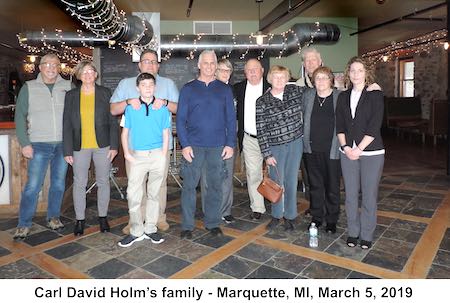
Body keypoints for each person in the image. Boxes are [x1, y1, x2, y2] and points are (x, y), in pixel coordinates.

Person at [110, 49, 178, 233]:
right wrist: (128, 102)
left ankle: (157, 219)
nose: (150, 64)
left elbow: (179, 108)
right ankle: (136, 222)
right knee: (136, 185)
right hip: (135, 147)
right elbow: (113, 109)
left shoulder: (168, 84)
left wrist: (164, 102)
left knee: (159, 185)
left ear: (158, 65)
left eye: (154, 61)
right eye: (146, 61)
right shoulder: (126, 84)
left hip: (160, 147)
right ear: (139, 64)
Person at [176, 50, 236, 239]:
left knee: (215, 187)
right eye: (206, 63)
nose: (209, 66)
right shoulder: (188, 88)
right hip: (193, 146)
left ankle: (213, 223)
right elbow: (181, 119)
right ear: (199, 65)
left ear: (215, 66)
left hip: (218, 147)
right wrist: (184, 145)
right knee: (189, 187)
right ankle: (187, 225)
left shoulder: (224, 89)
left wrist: (230, 144)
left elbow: (231, 119)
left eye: (212, 63)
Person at [13, 53, 72, 240]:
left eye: (55, 64)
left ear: (59, 67)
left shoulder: (68, 86)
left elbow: (73, 118)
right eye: (47, 64)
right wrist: (25, 143)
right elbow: (19, 117)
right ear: (40, 67)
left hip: (63, 145)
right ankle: (23, 223)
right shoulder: (29, 88)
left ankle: (53, 217)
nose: (51, 68)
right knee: (32, 186)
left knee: (58, 184)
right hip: (38, 144)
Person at [63, 60, 119, 236]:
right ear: (79, 76)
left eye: (91, 72)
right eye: (84, 72)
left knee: (103, 181)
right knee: (80, 183)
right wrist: (67, 150)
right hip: (79, 146)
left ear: (96, 75)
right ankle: (80, 219)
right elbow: (66, 124)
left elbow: (113, 122)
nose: (88, 75)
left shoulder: (105, 93)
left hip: (103, 145)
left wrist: (114, 146)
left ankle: (103, 217)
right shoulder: (71, 96)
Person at [336, 56, 385, 250]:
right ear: (348, 73)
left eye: (360, 70)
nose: (356, 74)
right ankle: (353, 232)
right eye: (353, 70)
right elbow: (339, 125)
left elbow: (374, 127)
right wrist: (347, 148)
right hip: (347, 152)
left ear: (367, 73)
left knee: (369, 195)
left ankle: (366, 234)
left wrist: (358, 149)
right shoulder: (342, 96)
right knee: (350, 195)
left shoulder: (375, 95)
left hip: (371, 153)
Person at [118, 73, 169, 247]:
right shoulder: (131, 108)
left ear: (155, 87)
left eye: (150, 84)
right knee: (134, 194)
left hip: (157, 155)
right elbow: (125, 133)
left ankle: (151, 228)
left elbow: (165, 132)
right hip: (137, 156)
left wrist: (163, 154)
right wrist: (126, 153)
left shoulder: (162, 108)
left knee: (154, 194)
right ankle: (136, 230)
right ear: (137, 88)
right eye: (144, 84)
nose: (147, 87)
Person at [256, 65, 305, 231]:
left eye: (283, 77)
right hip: (275, 147)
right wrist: (266, 154)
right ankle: (276, 215)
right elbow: (260, 129)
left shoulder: (295, 91)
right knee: (276, 182)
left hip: (295, 144)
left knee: (291, 181)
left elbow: (317, 89)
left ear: (287, 78)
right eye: (276, 76)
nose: (279, 80)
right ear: (270, 78)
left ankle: (290, 216)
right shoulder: (262, 101)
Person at [302, 66, 341, 234]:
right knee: (315, 186)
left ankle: (331, 220)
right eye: (318, 78)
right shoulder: (308, 96)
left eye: (325, 78)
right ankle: (317, 217)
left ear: (331, 80)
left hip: (332, 149)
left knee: (332, 187)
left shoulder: (339, 97)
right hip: (311, 149)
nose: (321, 81)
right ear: (313, 81)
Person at [234, 59, 270, 220]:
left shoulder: (271, 86)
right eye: (249, 70)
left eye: (256, 69)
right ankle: (258, 207)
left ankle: (278, 205)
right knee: (253, 174)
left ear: (262, 70)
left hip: (271, 139)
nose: (253, 72)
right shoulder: (239, 88)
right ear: (245, 73)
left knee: (276, 175)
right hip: (249, 138)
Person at [200, 58, 236, 224]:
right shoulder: (206, 89)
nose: (224, 73)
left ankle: (225, 210)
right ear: (215, 71)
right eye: (221, 69)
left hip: (228, 140)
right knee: (208, 178)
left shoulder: (233, 91)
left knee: (226, 177)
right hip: (208, 141)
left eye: (227, 70)